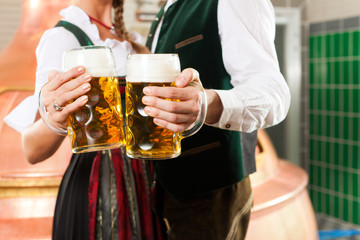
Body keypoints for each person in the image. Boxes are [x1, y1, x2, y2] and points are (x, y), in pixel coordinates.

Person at [4, 0, 162, 239]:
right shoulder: (63, 38)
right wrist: (56, 121)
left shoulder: (133, 41)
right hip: (98, 188)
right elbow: (31, 149)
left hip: (145, 181)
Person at [141, 0, 291, 239]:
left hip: (214, 189)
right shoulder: (167, 10)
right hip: (167, 189)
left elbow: (274, 94)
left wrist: (207, 103)